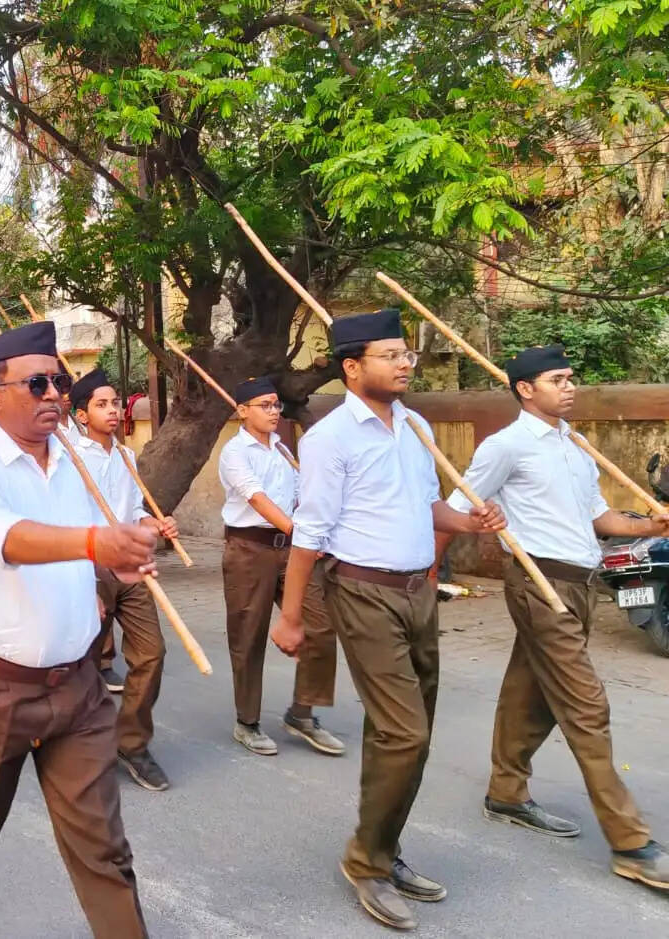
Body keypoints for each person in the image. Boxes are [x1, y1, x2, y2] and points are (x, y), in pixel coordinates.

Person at [270, 309, 506, 931]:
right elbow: (310, 532)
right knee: (407, 733)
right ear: (352, 367)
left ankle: (383, 847)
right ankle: (367, 862)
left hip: (418, 592)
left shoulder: (415, 426)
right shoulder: (328, 439)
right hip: (363, 592)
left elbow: (426, 505)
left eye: (408, 354)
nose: (406, 363)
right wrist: (290, 617)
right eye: (392, 355)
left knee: (403, 731)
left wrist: (470, 521)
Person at [0, 322, 155, 937]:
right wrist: (95, 542)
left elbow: (101, 547)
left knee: (104, 848)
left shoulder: (80, 463)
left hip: (79, 690)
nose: (55, 393)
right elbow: (7, 538)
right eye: (38, 383)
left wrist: (119, 560)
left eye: (59, 381)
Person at [440, 344, 669, 891]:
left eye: (571, 377)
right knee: (586, 704)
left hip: (581, 584)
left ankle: (505, 792)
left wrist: (650, 527)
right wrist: (433, 571)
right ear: (525, 389)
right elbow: (456, 505)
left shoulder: (575, 444)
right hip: (538, 583)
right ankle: (631, 843)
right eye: (557, 379)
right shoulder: (506, 446)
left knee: (530, 689)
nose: (570, 386)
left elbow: (599, 517)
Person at [218, 376, 343, 758]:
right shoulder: (234, 453)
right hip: (248, 550)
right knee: (248, 636)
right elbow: (257, 500)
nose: (274, 412)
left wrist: (311, 532)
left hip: (290, 550)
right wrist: (301, 533)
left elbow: (301, 495)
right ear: (243, 411)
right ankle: (247, 722)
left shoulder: (283, 450)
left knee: (320, 624)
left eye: (276, 405)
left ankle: (302, 712)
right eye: (265, 405)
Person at [70, 368, 178, 791]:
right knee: (80, 663)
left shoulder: (126, 457)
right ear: (82, 415)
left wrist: (155, 523)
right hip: (89, 565)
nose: (113, 410)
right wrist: (82, 578)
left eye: (115, 403)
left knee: (152, 654)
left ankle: (131, 742)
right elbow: (65, 524)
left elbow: (132, 513)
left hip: (130, 566)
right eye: (102, 404)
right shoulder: (69, 459)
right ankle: (76, 742)